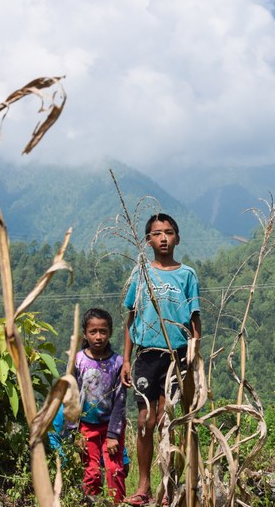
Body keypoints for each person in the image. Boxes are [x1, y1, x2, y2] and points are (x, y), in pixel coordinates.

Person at [120, 213, 201, 506]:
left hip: (176, 356)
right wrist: (127, 360)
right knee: (146, 420)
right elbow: (131, 317)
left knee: (167, 419)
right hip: (146, 355)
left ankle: (167, 487)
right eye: (157, 233)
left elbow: (194, 321)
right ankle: (143, 485)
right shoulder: (141, 273)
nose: (163, 238)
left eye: (169, 232)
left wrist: (194, 357)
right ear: (147, 240)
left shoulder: (187, 275)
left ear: (177, 237)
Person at [73, 307, 127, 504]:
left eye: (103, 331)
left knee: (114, 470)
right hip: (86, 427)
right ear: (85, 334)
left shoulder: (118, 363)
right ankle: (91, 502)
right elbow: (72, 397)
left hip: (110, 426)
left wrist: (113, 435)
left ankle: (118, 503)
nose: (98, 337)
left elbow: (120, 402)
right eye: (93, 332)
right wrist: (75, 432)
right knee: (92, 472)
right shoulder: (78, 360)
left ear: (110, 332)